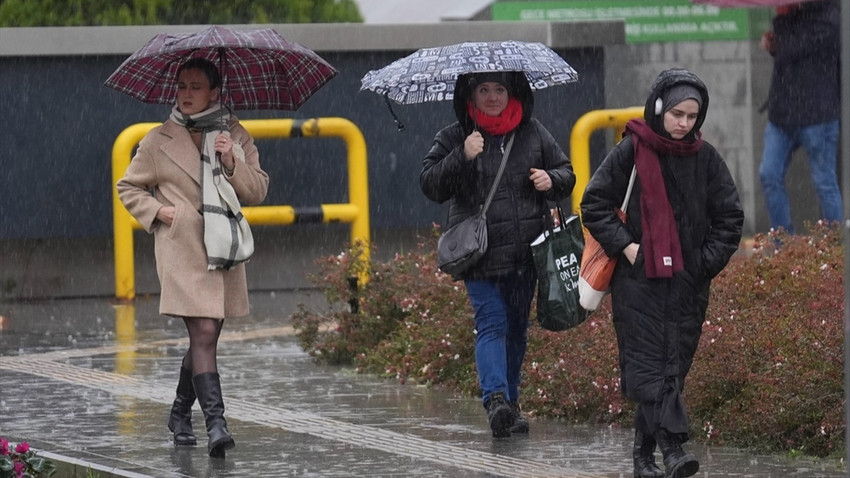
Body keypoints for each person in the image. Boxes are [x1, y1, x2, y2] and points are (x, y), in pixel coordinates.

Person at [580, 68, 744, 478]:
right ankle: (672, 452)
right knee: (649, 368)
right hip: (639, 282)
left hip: (687, 285)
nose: (684, 123)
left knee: (672, 371)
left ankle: (641, 457)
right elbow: (594, 204)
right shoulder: (630, 151)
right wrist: (628, 246)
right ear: (658, 109)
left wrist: (704, 263)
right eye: (676, 114)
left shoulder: (706, 159)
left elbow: (729, 218)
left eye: (691, 116)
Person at [117, 58, 269, 457]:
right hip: (181, 247)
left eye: (195, 86)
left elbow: (257, 192)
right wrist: (159, 212)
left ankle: (180, 412)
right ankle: (216, 424)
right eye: (181, 86)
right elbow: (128, 187)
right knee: (202, 332)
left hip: (223, 248)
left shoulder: (235, 134)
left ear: (214, 92)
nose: (185, 94)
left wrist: (231, 158)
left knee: (207, 334)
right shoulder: (156, 139)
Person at [420, 71, 576, 438]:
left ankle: (511, 404)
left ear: (513, 92)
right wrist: (461, 156)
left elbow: (566, 171)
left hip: (526, 254)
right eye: (484, 89)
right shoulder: (455, 135)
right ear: (470, 95)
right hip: (481, 255)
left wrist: (552, 180)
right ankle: (495, 400)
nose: (492, 97)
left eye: (500, 89)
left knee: (517, 330)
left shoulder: (533, 131)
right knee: (492, 323)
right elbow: (430, 184)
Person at [758, 0, 842, 234]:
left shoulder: (829, 15)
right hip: (782, 114)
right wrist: (775, 45)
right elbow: (789, 55)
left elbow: (798, 48)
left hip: (818, 114)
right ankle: (782, 242)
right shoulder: (792, 16)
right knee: (769, 174)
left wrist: (781, 27)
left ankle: (833, 245)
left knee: (824, 182)